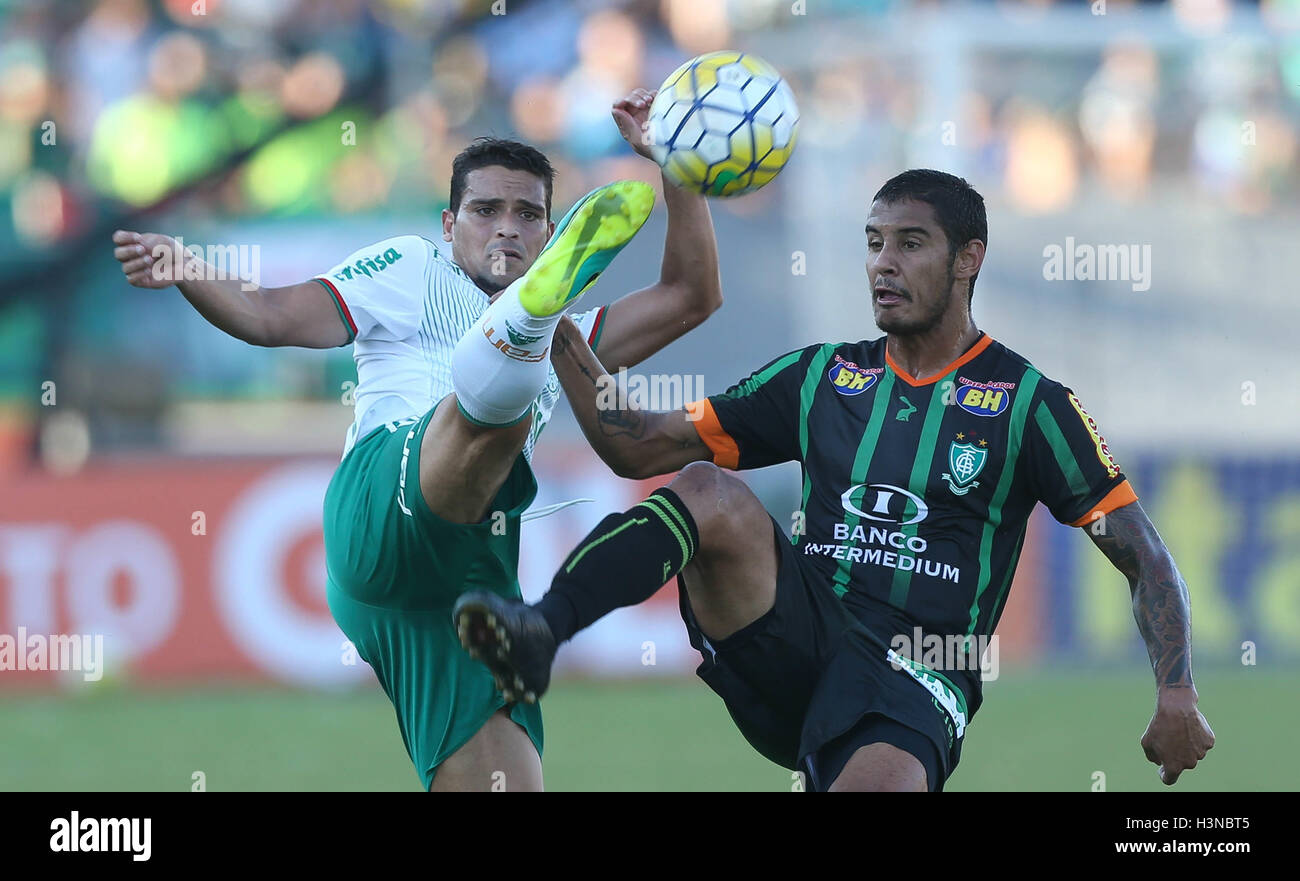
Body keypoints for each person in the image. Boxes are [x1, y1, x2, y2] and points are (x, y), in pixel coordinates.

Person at [455, 168, 1216, 792]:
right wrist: (544, 320)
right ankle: (539, 632)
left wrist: (1176, 690)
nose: (883, 263)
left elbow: (1142, 552)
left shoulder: (1031, 404)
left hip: (921, 673)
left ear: (968, 258)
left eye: (911, 244)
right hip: (799, 630)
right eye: (875, 243)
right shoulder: (825, 374)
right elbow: (639, 446)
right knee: (705, 487)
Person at [111, 88, 723, 791]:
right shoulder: (409, 267)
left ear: (551, 234)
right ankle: (511, 332)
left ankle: (515, 332)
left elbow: (691, 295)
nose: (506, 229)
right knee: (506, 400)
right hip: (382, 504)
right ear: (448, 225)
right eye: (485, 210)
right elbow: (268, 316)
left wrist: (680, 166)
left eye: (528, 215)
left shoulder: (574, 342)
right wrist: (187, 265)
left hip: (465, 580)